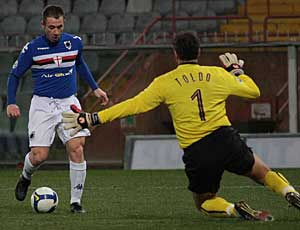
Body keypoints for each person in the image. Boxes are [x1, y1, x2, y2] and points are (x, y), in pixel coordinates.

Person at [62, 32, 300, 220]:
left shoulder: (164, 82)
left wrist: (95, 118)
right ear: (199, 52)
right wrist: (236, 71)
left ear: (175, 54)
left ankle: (232, 210)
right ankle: (288, 191)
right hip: (225, 138)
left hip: (197, 150)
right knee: (263, 173)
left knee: (204, 202)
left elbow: (134, 105)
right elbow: (253, 91)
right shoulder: (217, 74)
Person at [6, 5, 109, 213]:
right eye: (51, 27)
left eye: (59, 27)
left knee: (77, 147)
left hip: (68, 103)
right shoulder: (33, 48)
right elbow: (15, 75)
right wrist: (11, 101)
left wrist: (95, 88)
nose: (55, 32)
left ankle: (75, 202)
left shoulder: (74, 43)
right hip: (43, 105)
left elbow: (80, 64)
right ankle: (25, 176)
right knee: (39, 156)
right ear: (43, 25)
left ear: (63, 24)